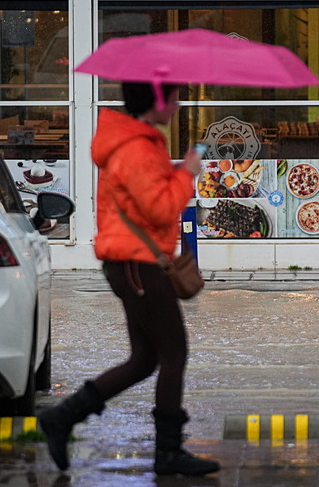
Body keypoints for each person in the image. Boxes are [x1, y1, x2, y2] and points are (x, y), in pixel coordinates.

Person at [38, 82, 219, 476]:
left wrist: (175, 172)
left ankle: (63, 418)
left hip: (132, 261)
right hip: (137, 263)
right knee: (174, 354)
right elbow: (160, 209)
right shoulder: (137, 147)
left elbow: (148, 199)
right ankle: (168, 453)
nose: (177, 106)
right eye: (173, 99)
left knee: (144, 359)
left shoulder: (140, 142)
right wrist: (187, 174)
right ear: (156, 101)